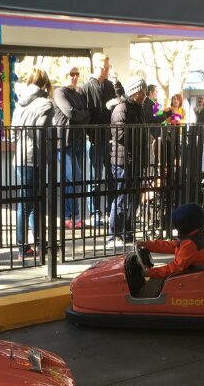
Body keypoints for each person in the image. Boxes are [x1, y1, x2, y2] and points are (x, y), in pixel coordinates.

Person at [11, 69, 54, 258]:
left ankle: (26, 246)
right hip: (35, 158)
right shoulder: (45, 103)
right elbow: (40, 133)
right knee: (34, 204)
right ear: (45, 84)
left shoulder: (19, 104)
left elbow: (13, 133)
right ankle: (33, 245)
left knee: (26, 203)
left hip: (19, 157)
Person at [108, 75, 148, 245]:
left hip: (134, 160)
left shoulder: (137, 108)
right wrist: (140, 136)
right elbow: (119, 134)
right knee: (122, 198)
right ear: (134, 92)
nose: (144, 95)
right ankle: (114, 233)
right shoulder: (122, 108)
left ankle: (127, 232)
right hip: (123, 161)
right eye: (142, 91)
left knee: (132, 199)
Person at [80, 53, 119, 227]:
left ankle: (111, 210)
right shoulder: (86, 87)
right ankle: (95, 212)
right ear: (97, 66)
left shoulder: (111, 86)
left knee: (111, 177)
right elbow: (84, 113)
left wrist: (117, 83)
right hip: (94, 139)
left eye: (108, 66)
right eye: (105, 67)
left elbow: (121, 100)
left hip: (109, 139)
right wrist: (89, 132)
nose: (107, 69)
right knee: (95, 178)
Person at [52, 66, 90, 229]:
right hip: (65, 142)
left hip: (79, 141)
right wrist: (80, 114)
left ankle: (72, 217)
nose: (74, 77)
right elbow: (70, 112)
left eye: (77, 74)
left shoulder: (79, 93)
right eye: (71, 74)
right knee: (75, 177)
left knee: (71, 181)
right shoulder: (59, 92)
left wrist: (80, 115)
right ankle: (71, 215)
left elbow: (87, 114)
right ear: (65, 75)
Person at [136, 202, 204, 279]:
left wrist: (150, 272)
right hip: (194, 275)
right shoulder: (192, 238)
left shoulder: (190, 243)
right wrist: (146, 244)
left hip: (194, 279)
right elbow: (169, 246)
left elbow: (176, 268)